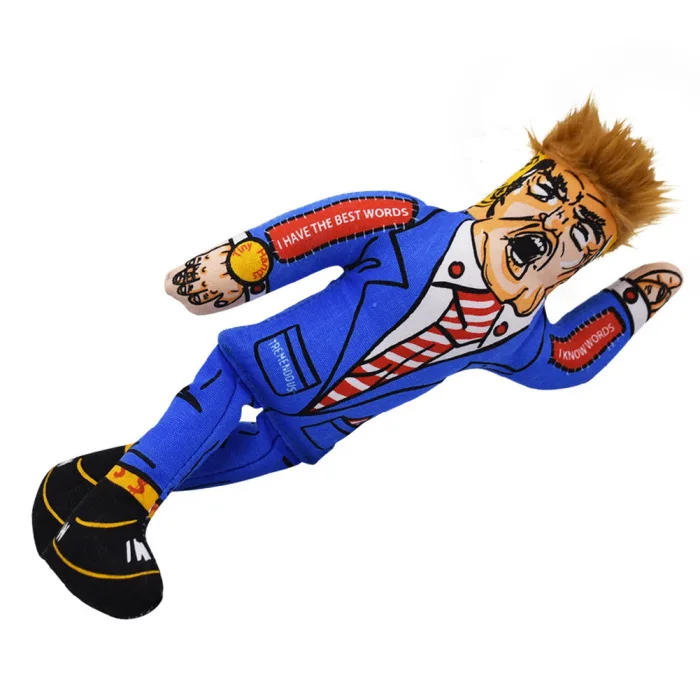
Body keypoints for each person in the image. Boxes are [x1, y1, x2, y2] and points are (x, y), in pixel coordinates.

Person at [33, 99, 682, 618]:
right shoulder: (407, 223)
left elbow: (564, 360)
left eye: (583, 234)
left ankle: (86, 486)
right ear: (516, 184)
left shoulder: (517, 334)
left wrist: (630, 304)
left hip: (321, 425)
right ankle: (109, 522)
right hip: (271, 360)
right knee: (211, 409)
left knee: (253, 454)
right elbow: (326, 228)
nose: (553, 228)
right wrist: (239, 266)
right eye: (548, 193)